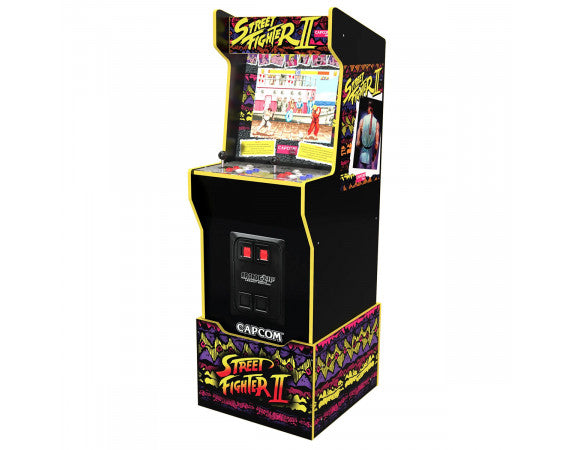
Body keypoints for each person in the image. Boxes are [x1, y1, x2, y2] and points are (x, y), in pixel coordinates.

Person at [355, 102, 380, 169]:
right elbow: (376, 143)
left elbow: (358, 142)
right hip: (368, 152)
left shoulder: (363, 120)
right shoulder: (376, 123)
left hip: (365, 151)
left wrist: (358, 142)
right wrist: (375, 154)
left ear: (369, 109)